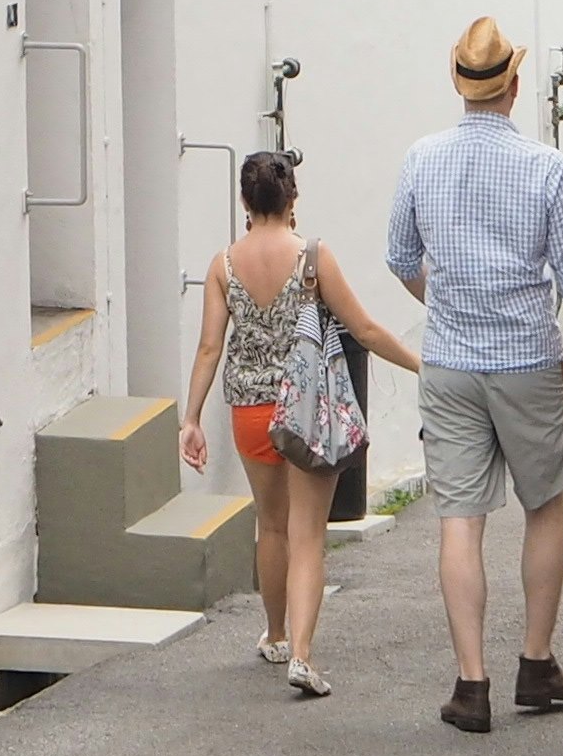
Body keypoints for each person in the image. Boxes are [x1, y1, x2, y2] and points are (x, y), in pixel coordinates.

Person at [385, 17, 563, 732]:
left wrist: (444, 299)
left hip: (449, 362)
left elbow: (399, 257)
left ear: (460, 83)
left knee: (460, 516)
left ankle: (471, 683)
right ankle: (536, 664)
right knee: (544, 505)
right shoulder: (545, 168)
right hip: (525, 360)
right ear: (514, 86)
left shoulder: (421, 158)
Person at [178, 150, 423, 699]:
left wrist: (190, 418)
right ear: (293, 198)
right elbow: (363, 328)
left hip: (249, 410)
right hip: (308, 410)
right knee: (309, 533)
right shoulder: (313, 258)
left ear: (245, 201)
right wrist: (422, 365)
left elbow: (210, 346)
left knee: (273, 525)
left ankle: (276, 633)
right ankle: (305, 658)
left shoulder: (222, 264)